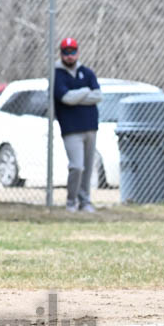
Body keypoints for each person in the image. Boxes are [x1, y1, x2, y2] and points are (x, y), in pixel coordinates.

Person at [52, 37, 102, 212]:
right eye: (66, 52)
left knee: (87, 168)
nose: (69, 56)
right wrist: (85, 91)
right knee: (77, 166)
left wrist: (76, 96)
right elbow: (65, 98)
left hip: (90, 126)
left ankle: (85, 201)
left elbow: (98, 96)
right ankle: (71, 201)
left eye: (72, 52)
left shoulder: (87, 73)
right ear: (61, 54)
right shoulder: (57, 75)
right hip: (71, 129)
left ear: (77, 52)